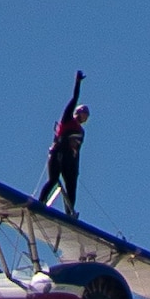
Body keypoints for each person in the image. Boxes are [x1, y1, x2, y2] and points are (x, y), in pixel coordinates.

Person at [38, 71, 89, 216]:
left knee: (72, 184)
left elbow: (77, 151)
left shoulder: (81, 132)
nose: (84, 117)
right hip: (58, 154)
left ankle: (69, 212)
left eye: (86, 116)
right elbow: (74, 99)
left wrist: (76, 169)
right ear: (77, 113)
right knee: (53, 180)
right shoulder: (68, 120)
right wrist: (77, 83)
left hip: (70, 159)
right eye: (82, 114)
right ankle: (41, 201)